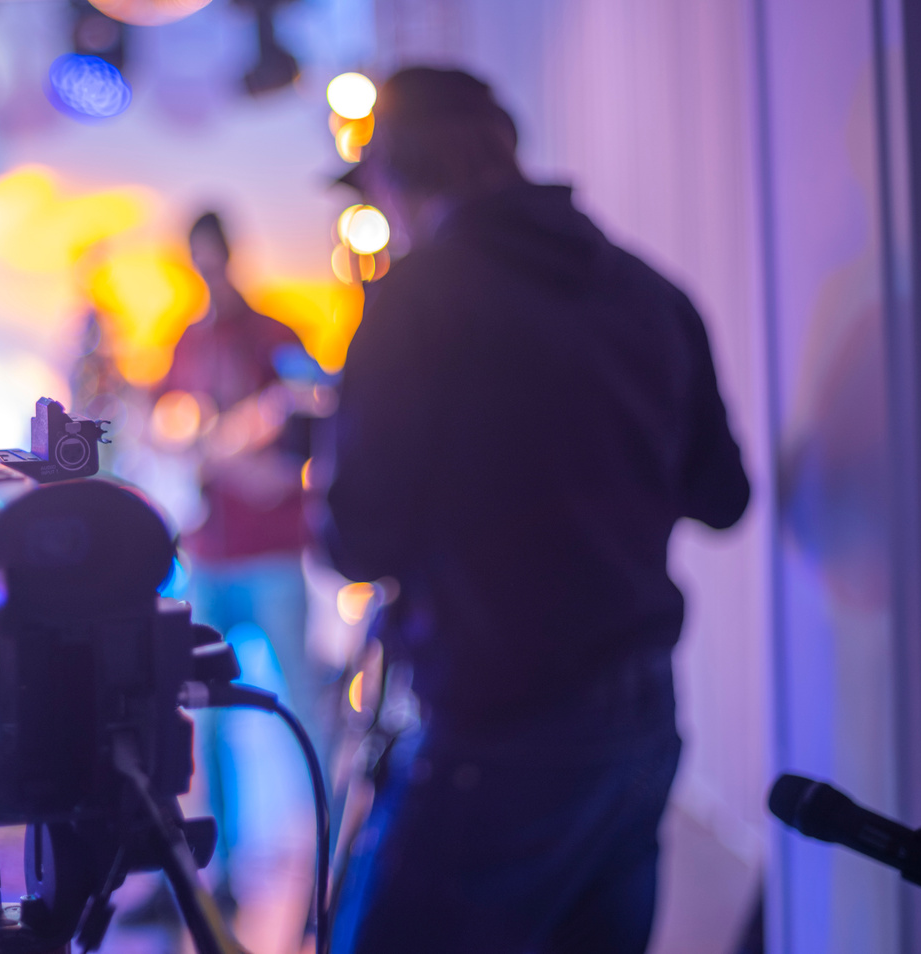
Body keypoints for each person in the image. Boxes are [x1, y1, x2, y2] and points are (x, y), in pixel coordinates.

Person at [321, 68, 749, 954]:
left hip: (495, 730)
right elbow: (723, 496)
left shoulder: (414, 303)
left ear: (395, 179)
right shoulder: (648, 289)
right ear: (507, 149)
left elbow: (357, 539)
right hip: (640, 724)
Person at [156, 211, 326, 914]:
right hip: (211, 556)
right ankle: (217, 874)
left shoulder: (275, 335)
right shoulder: (187, 343)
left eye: (214, 260)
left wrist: (248, 466)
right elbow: (167, 430)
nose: (209, 274)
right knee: (205, 719)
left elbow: (309, 434)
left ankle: (331, 856)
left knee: (311, 711)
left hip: (274, 555)